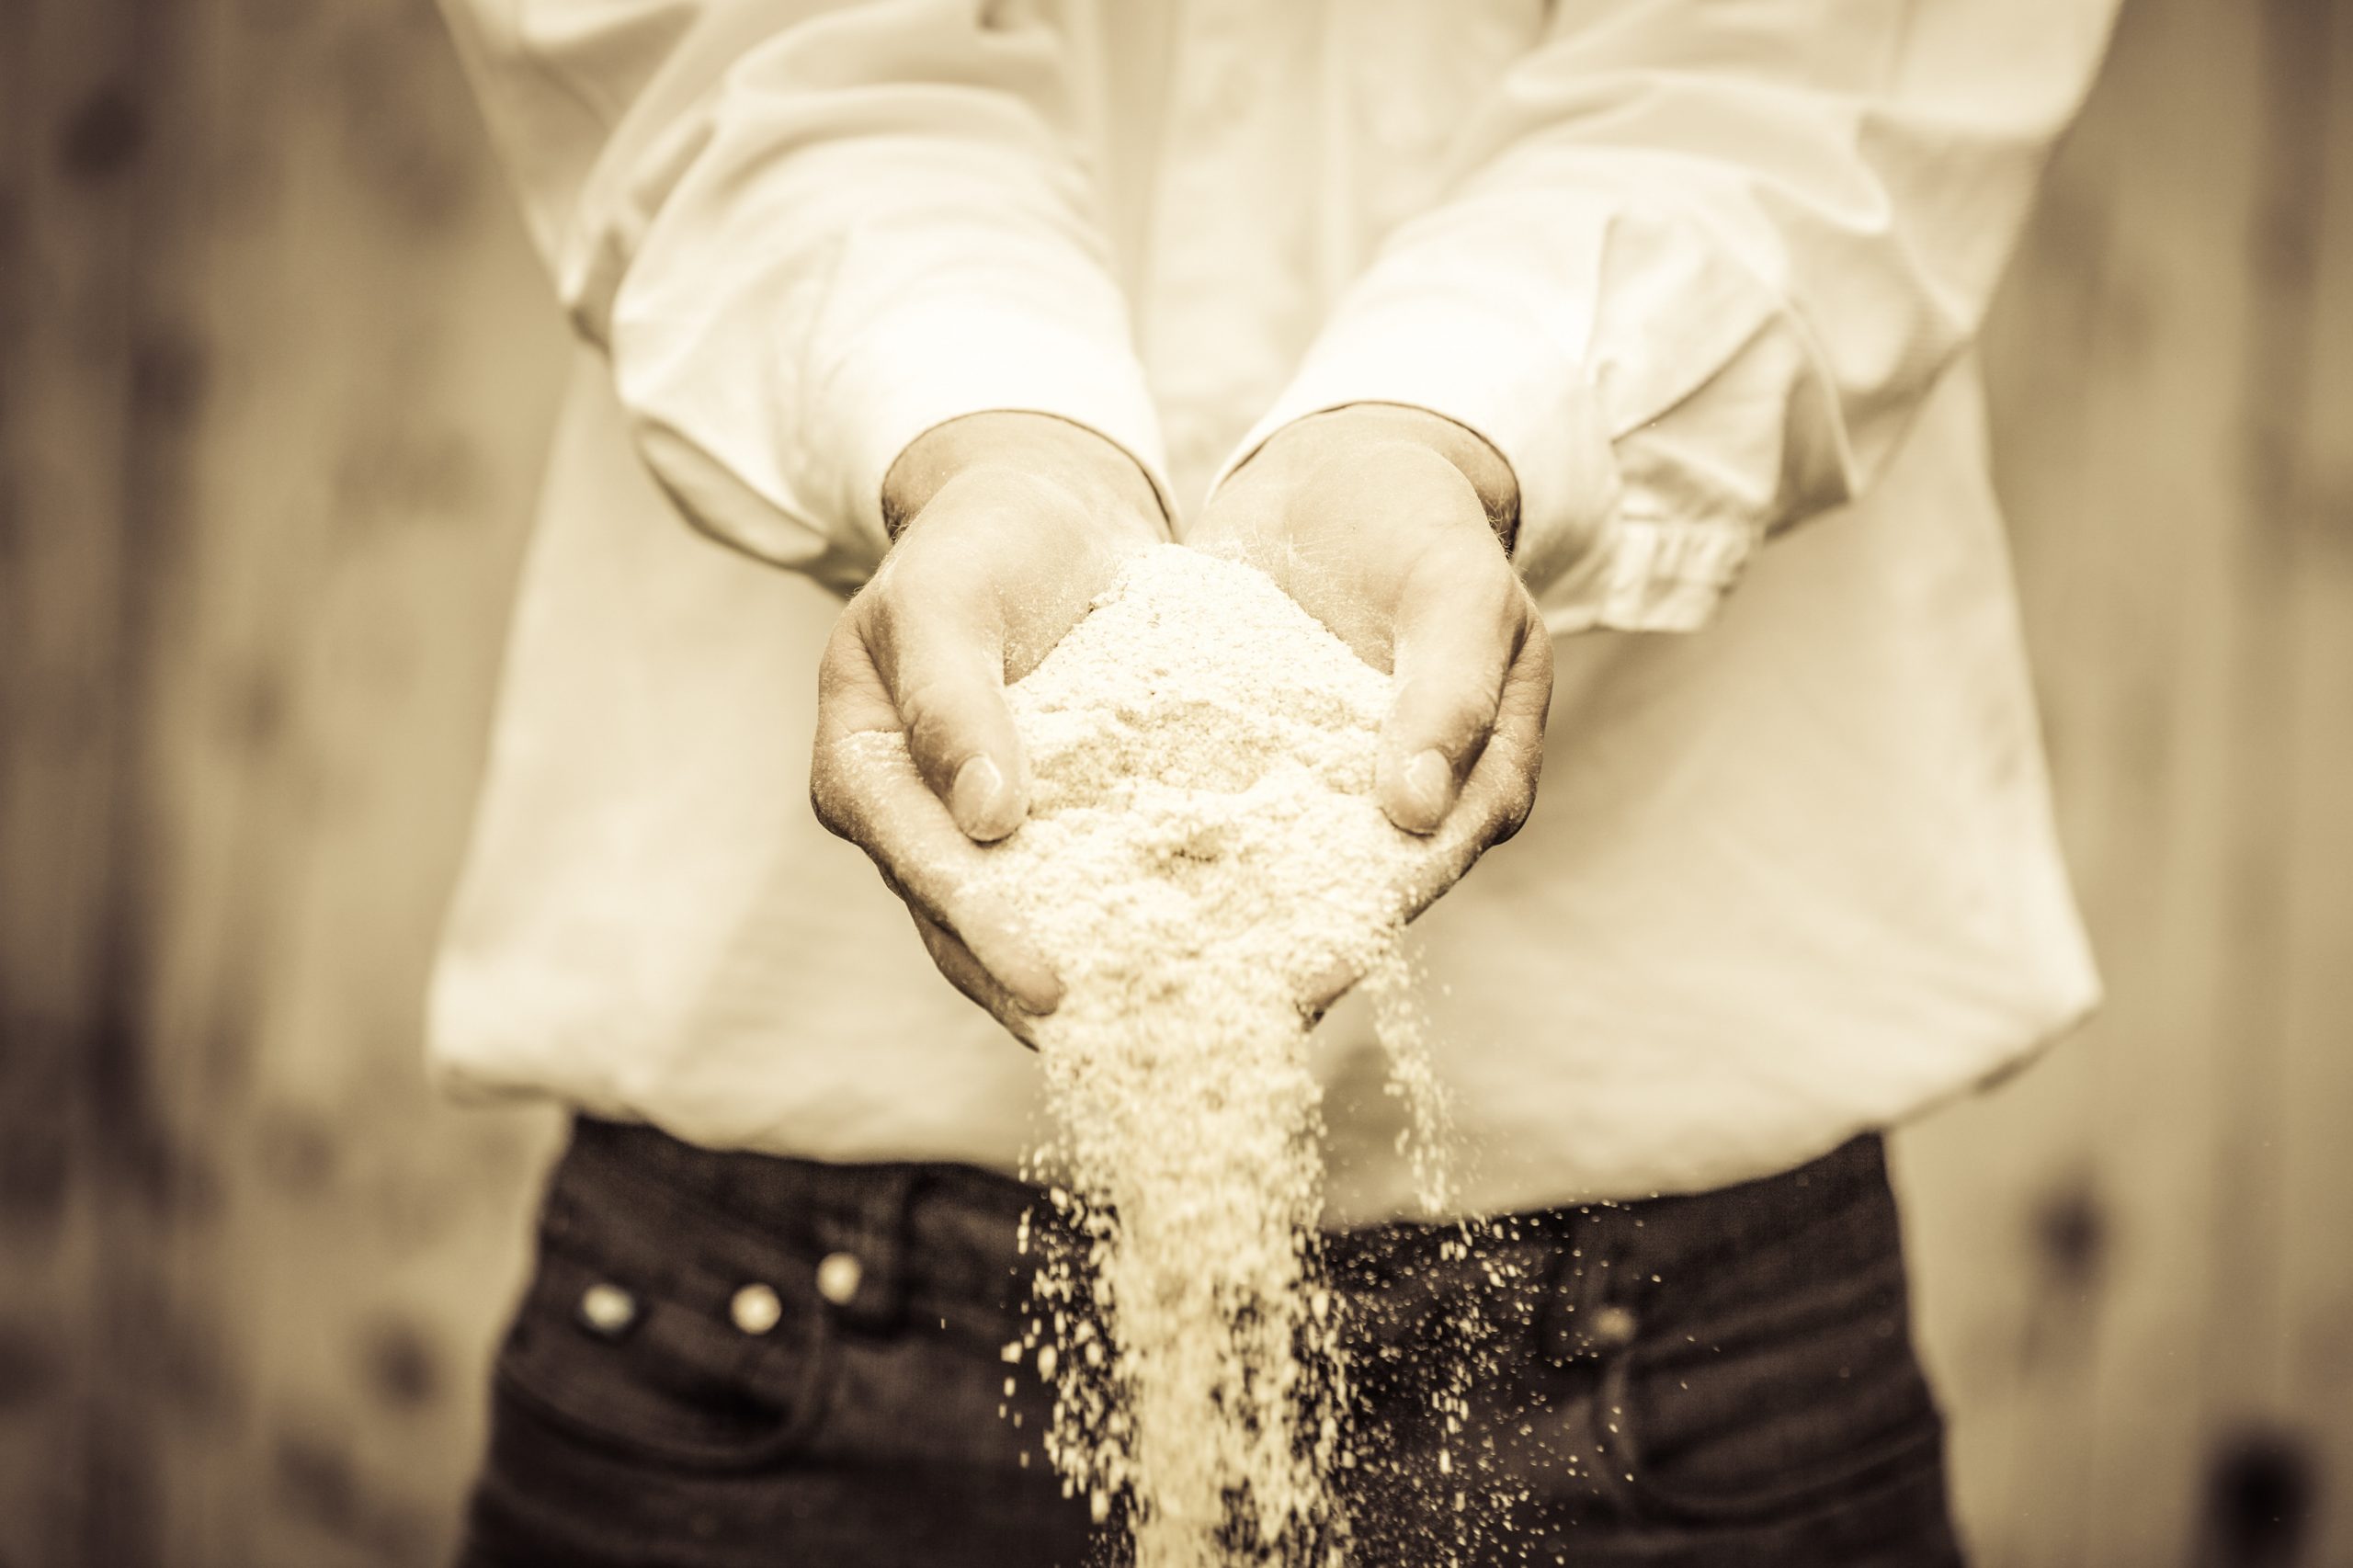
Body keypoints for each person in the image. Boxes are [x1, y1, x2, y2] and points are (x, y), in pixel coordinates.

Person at [431, 2, 2119, 1562]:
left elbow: (1821, 63)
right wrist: (977, 422)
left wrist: (1459, 421)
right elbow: (728, 41)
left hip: (1672, 1298)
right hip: (780, 1264)